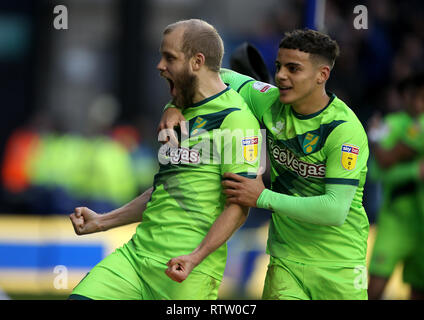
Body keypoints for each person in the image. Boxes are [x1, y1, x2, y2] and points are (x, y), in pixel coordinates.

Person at [161, 29, 370, 300]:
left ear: (322, 75)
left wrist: (261, 197)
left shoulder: (344, 130)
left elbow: (335, 210)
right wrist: (174, 104)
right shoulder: (268, 100)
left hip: (339, 266)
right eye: (279, 66)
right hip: (285, 262)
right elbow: (209, 76)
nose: (281, 75)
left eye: (293, 69)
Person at [68, 19, 261, 300]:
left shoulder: (235, 119)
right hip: (135, 258)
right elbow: (165, 189)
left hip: (186, 271)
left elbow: (239, 208)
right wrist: (102, 221)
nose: (159, 65)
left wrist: (196, 257)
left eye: (169, 57)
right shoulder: (175, 112)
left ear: (197, 62)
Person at [367, 73, 424, 300]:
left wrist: (376, 139)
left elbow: (387, 160)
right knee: (374, 288)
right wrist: (414, 171)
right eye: (416, 96)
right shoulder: (392, 124)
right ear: (407, 97)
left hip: (421, 224)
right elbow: (379, 170)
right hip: (395, 220)